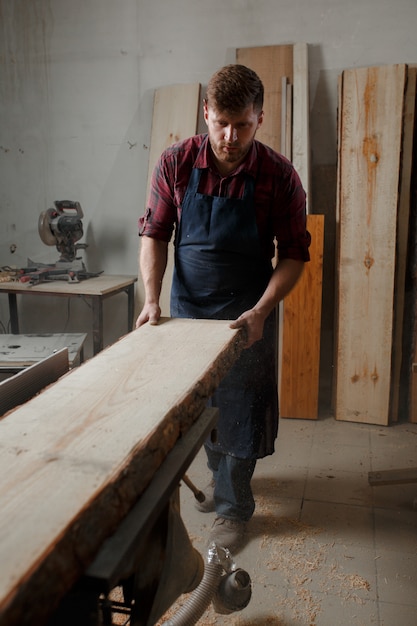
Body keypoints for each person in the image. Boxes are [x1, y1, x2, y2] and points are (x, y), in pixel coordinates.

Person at [136, 64, 310, 553]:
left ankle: (234, 508)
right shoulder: (176, 162)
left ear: (260, 117)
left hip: (246, 313)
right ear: (205, 112)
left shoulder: (278, 176)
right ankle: (219, 482)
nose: (230, 137)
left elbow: (294, 253)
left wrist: (262, 310)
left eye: (243, 125)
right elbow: (154, 233)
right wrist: (151, 300)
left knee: (242, 407)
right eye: (221, 124)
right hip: (187, 309)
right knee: (202, 408)